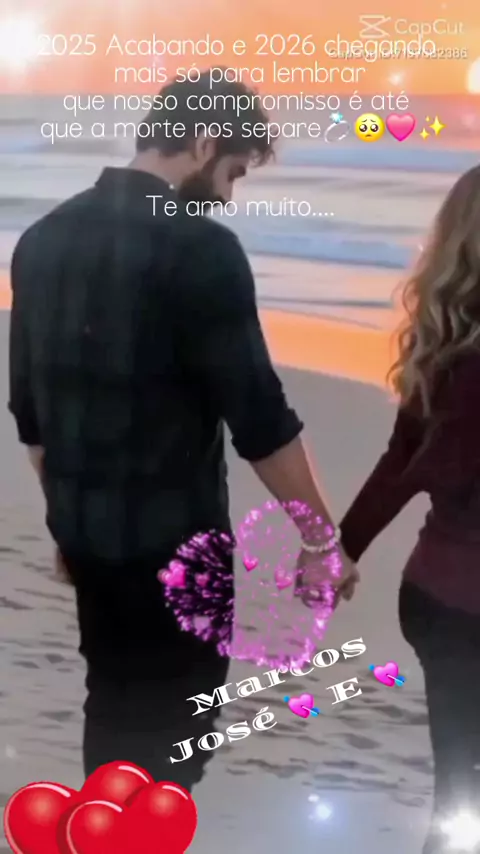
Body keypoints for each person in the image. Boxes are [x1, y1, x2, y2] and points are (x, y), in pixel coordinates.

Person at [8, 71, 356, 791]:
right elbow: (260, 420)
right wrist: (321, 540)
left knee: (111, 706)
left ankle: (99, 832)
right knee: (174, 741)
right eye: (232, 172)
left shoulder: (40, 242)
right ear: (202, 144)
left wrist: (68, 522)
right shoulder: (202, 250)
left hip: (89, 539)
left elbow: (33, 420)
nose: (228, 195)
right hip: (180, 549)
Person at [339, 165, 480, 853]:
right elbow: (429, 462)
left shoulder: (449, 348)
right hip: (462, 612)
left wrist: (342, 548)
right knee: (464, 798)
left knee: (462, 790)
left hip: (438, 597)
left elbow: (402, 457)